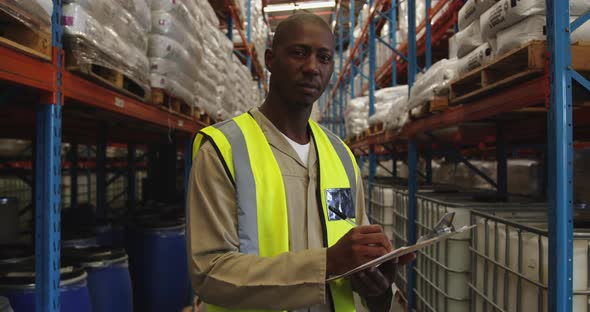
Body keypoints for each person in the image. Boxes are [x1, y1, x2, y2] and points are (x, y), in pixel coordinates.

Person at [187, 12, 414, 312]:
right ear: (270, 59)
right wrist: (327, 264)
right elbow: (210, 272)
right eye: (298, 53)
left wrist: (376, 286)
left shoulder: (341, 156)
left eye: (323, 58)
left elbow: (352, 255)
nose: (311, 68)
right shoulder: (224, 150)